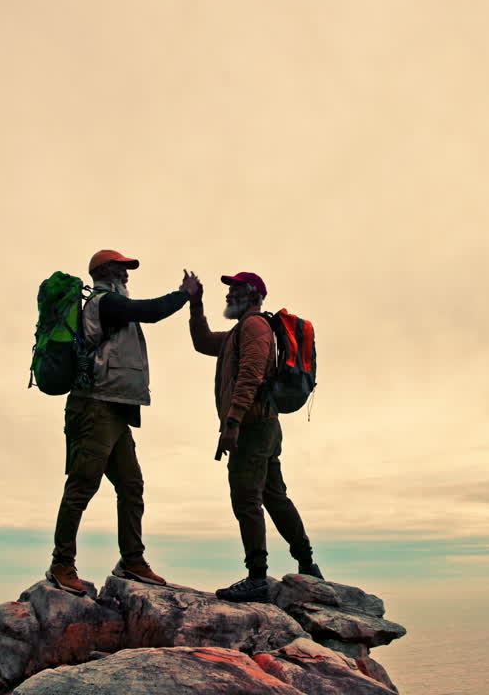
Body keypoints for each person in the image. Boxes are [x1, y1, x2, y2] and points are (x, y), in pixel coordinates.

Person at [46, 249, 192, 595]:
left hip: (115, 408)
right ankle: (61, 564)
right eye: (121, 268)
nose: (127, 274)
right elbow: (150, 312)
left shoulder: (110, 303)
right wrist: (185, 294)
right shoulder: (105, 303)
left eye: (127, 269)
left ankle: (132, 560)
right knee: (82, 486)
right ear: (105, 271)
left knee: (131, 485)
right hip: (94, 406)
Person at [182, 270, 323, 603]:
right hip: (262, 425)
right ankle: (307, 563)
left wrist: (232, 421)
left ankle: (257, 577)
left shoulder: (255, 326)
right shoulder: (238, 332)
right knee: (274, 495)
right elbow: (202, 342)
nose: (230, 294)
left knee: (246, 498)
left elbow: (251, 374)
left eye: (237, 289)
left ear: (256, 295)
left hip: (252, 426)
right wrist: (195, 304)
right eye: (229, 289)